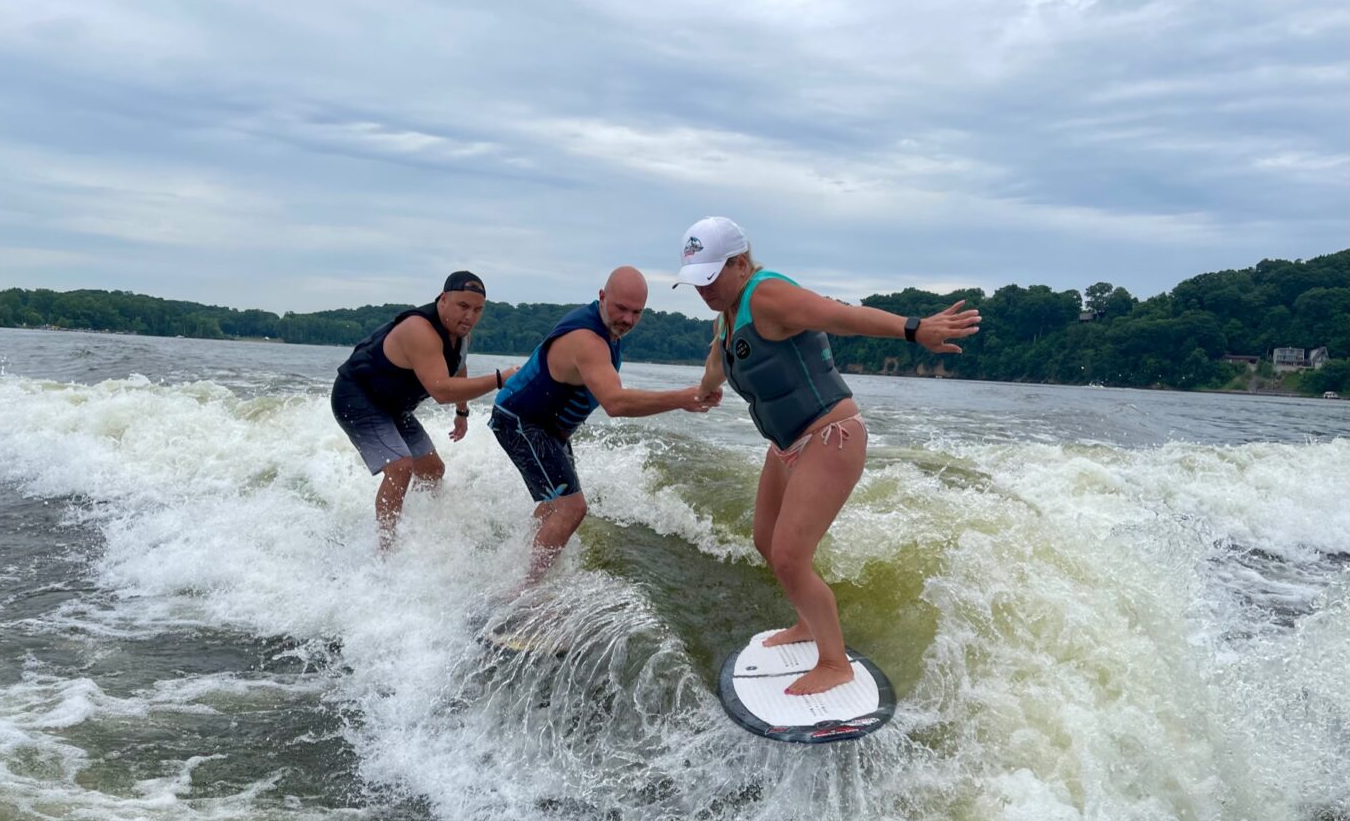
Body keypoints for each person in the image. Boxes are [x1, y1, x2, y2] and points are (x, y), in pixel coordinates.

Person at [678, 216, 981, 695]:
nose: (704, 290)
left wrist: (914, 328)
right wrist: (705, 390)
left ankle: (834, 663)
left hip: (831, 436)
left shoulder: (767, 294)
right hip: (786, 446)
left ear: (740, 263)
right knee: (764, 539)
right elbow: (718, 361)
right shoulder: (727, 316)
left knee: (789, 557)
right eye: (697, 281)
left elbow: (839, 315)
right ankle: (806, 624)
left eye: (712, 277)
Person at [491, 266, 718, 583]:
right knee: (571, 508)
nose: (627, 319)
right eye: (621, 308)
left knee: (555, 503)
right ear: (601, 297)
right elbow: (615, 403)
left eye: (636, 312)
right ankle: (524, 594)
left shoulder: (609, 331)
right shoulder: (588, 341)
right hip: (519, 421)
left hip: (545, 426)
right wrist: (682, 398)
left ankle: (519, 566)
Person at [332, 270, 517, 547]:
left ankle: (417, 530)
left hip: (394, 406)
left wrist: (462, 412)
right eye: (463, 306)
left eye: (478, 310)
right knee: (401, 467)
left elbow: (459, 366)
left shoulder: (462, 334)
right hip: (357, 398)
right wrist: (500, 379)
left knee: (432, 471)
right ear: (443, 299)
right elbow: (441, 390)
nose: (470, 316)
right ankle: (385, 547)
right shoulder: (420, 330)